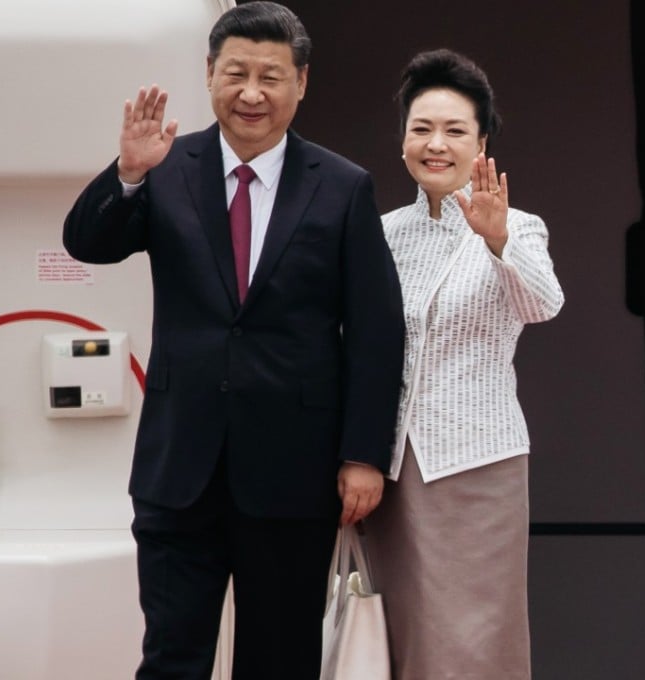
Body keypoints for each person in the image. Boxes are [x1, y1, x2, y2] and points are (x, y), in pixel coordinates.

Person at [61, 2, 405, 678]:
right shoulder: (166, 167)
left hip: (294, 473)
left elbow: (375, 329)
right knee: (172, 657)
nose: (252, 93)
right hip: (179, 467)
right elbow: (87, 243)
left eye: (270, 77)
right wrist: (128, 173)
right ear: (209, 74)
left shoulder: (342, 187)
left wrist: (363, 454)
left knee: (280, 661)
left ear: (301, 83)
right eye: (236, 73)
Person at [361, 48, 565, 680]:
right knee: (401, 637)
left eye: (454, 131)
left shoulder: (518, 225)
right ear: (403, 141)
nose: (436, 144)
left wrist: (497, 239)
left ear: (481, 144)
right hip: (391, 470)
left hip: (476, 462)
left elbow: (543, 304)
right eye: (421, 128)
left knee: (474, 640)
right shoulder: (383, 231)